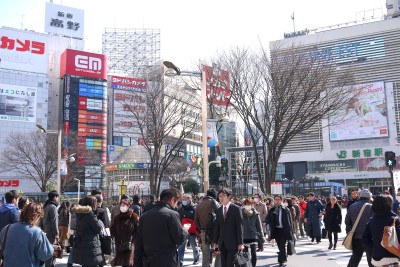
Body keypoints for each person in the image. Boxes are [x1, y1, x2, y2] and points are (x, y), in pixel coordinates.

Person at [134, 188, 188, 267]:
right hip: (167, 261)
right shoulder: (172, 215)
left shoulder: (144, 217)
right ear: (172, 200)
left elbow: (138, 245)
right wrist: (185, 230)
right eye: (177, 202)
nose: (176, 205)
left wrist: (137, 264)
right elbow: (179, 239)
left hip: (148, 261)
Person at [0, 203, 54, 267]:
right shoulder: (37, 232)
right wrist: (50, 246)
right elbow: (45, 255)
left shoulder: (7, 228)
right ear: (36, 216)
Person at [363, 195, 400, 267]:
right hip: (392, 256)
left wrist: (375, 247)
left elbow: (365, 239)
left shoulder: (372, 220)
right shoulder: (395, 220)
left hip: (376, 258)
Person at [213, 188, 244, 267]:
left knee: (230, 264)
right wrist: (215, 242)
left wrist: (240, 243)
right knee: (223, 264)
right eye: (219, 196)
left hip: (233, 243)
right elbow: (217, 227)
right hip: (222, 243)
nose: (221, 198)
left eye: (223, 196)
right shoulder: (219, 210)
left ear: (229, 196)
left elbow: (239, 227)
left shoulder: (236, 209)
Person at [345, 189, 373, 267]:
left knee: (355, 258)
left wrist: (349, 232)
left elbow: (347, 221)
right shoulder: (371, 207)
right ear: (369, 197)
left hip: (356, 237)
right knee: (371, 260)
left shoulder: (352, 206)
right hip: (369, 238)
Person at [73, 196, 104, 267]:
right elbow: (98, 228)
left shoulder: (80, 213)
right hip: (91, 245)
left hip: (83, 244)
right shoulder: (90, 214)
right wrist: (99, 222)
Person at [266, 195, 294, 267]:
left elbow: (290, 221)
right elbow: (268, 218)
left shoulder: (286, 209)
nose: (277, 201)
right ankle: (283, 257)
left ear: (281, 200)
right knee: (279, 245)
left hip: (284, 230)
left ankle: (281, 260)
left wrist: (291, 232)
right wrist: (265, 223)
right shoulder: (273, 209)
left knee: (282, 245)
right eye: (275, 200)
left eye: (278, 199)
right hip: (276, 230)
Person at [110, 197, 139, 267]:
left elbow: (138, 231)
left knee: (129, 263)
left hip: (130, 245)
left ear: (128, 206)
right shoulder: (117, 217)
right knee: (120, 263)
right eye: (121, 205)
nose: (122, 207)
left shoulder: (133, 217)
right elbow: (112, 230)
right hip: (119, 244)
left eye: (124, 205)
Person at [194, 188, 220, 267]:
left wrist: (202, 228)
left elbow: (196, 220)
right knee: (218, 251)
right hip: (215, 231)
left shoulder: (199, 205)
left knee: (205, 255)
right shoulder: (215, 203)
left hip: (203, 232)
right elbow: (220, 217)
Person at [178, 194, 200, 266]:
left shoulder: (195, 208)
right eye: (183, 199)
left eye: (185, 199)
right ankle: (180, 261)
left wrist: (197, 229)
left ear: (190, 199)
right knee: (181, 247)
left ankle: (196, 259)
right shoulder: (180, 207)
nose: (184, 200)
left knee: (194, 246)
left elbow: (197, 219)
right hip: (182, 230)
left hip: (192, 231)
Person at [242, 198, 264, 267]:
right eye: (246, 204)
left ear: (252, 205)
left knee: (253, 253)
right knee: (245, 254)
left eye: (249, 204)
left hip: (253, 236)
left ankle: (253, 265)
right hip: (244, 236)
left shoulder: (255, 214)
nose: (247, 205)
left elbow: (259, 227)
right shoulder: (240, 213)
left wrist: (262, 238)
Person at [43, 190, 60, 267]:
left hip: (45, 231)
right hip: (51, 232)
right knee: (51, 252)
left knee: (48, 251)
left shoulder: (46, 206)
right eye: (57, 197)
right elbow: (54, 221)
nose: (58, 199)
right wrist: (56, 233)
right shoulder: (53, 207)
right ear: (54, 197)